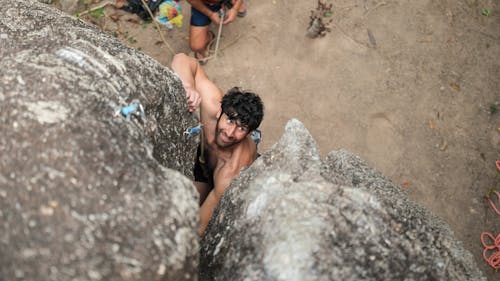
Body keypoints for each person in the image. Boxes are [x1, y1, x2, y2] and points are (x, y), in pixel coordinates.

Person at [171, 53, 264, 235]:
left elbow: (199, 227)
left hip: (216, 177)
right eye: (229, 121)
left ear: (249, 132)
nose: (230, 133)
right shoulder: (213, 105)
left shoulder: (231, 172)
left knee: (181, 218)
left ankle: (254, 147)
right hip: (203, 159)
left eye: (241, 128)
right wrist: (188, 87)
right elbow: (182, 59)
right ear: (220, 111)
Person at [186, 0, 247, 65]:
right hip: (205, 3)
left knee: (237, 4)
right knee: (197, 46)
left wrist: (235, 8)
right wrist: (211, 14)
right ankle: (208, 37)